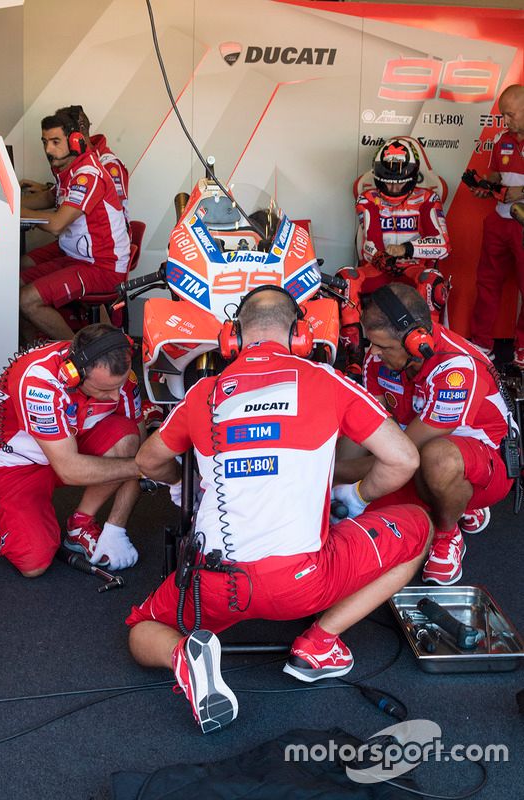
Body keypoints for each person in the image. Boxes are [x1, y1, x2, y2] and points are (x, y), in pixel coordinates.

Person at [127, 285, 432, 733]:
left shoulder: (202, 394)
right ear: (302, 337)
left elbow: (146, 461)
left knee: (140, 629)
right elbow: (404, 458)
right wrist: (357, 498)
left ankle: (184, 657)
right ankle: (319, 643)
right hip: (301, 584)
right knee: (419, 526)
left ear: (231, 339)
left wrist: (180, 487)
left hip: (213, 583)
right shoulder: (329, 381)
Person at [336, 283, 514, 586]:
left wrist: (333, 476)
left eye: (383, 346)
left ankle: (448, 534)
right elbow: (365, 431)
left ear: (417, 342)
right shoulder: (377, 360)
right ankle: (452, 501)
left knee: (438, 460)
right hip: (416, 456)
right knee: (355, 515)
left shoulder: (455, 369)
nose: (374, 353)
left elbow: (405, 452)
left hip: (486, 465)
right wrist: (333, 477)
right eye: (372, 343)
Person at [0, 323, 144, 578]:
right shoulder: (38, 381)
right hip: (15, 465)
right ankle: (2, 510)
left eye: (119, 386)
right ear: (74, 375)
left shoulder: (121, 377)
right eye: (105, 390)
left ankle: (80, 525)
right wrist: (144, 467)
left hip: (70, 447)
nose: (116, 397)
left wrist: (116, 528)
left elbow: (139, 445)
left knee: (126, 438)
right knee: (34, 563)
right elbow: (72, 470)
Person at [337, 137, 451, 377]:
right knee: (346, 278)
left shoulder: (428, 198)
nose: (394, 188)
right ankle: (354, 356)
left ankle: (424, 350)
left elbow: (443, 245)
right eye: (389, 183)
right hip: (380, 267)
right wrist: (380, 257)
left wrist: (407, 250)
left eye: (400, 183)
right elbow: (370, 241)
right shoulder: (367, 199)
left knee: (433, 281)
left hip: (414, 268)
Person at [19, 112, 130, 342]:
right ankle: (32, 358)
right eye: (45, 142)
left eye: (55, 142)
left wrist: (12, 212)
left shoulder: (87, 174)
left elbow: (58, 224)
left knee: (27, 300)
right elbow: (47, 199)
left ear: (75, 141)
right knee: (13, 285)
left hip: (103, 265)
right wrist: (5, 201)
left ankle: (81, 360)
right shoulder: (69, 171)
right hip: (77, 256)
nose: (48, 150)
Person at [468, 85, 524, 366]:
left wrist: (522, 192)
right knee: (487, 284)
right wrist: (486, 186)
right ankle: (481, 344)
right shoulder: (502, 140)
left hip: (522, 224)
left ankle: (522, 348)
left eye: (511, 114)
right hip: (499, 221)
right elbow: (496, 173)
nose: (506, 121)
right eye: (503, 115)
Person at [21, 104, 129, 220]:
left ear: (75, 135)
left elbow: (113, 210)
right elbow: (55, 196)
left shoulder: (108, 165)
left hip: (99, 235)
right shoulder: (75, 162)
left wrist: (19, 212)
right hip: (77, 235)